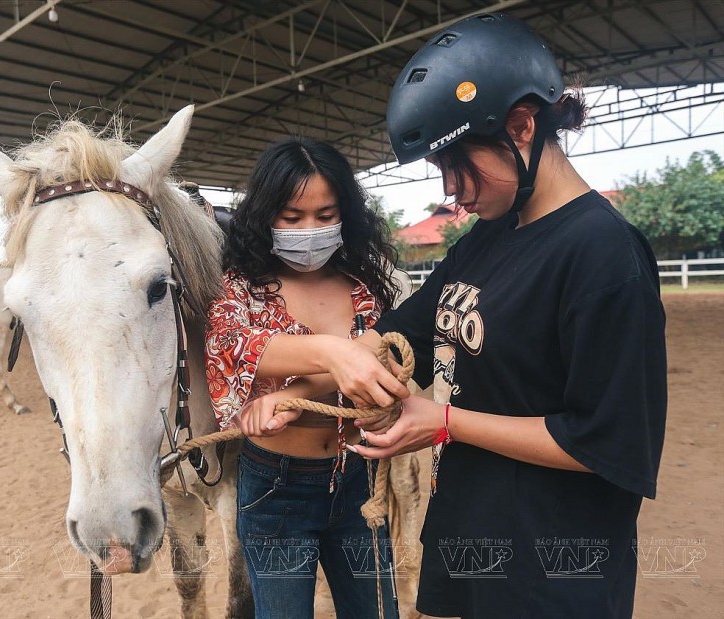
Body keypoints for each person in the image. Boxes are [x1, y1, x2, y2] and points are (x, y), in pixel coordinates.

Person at [242, 12, 667, 619]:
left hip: (553, 574)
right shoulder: (487, 237)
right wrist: (303, 389)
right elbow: (401, 334)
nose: (450, 189)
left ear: (521, 126)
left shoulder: (603, 256)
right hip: (481, 549)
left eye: (457, 163)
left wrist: (444, 421)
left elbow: (604, 444)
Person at [204, 137, 401, 619]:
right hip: (276, 489)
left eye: (325, 215)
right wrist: (333, 351)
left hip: (359, 478)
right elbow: (230, 346)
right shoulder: (241, 288)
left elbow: (383, 365)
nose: (309, 230)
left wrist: (296, 392)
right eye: (292, 218)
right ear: (265, 215)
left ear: (345, 216)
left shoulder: (364, 288)